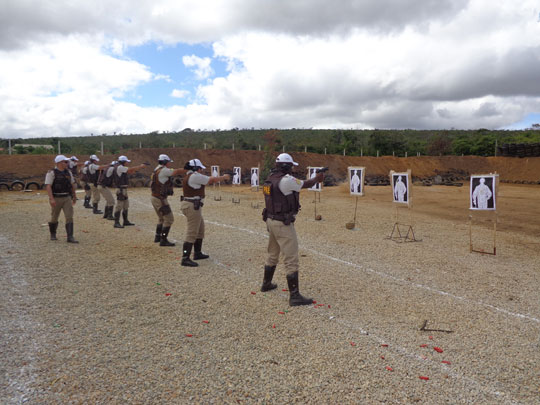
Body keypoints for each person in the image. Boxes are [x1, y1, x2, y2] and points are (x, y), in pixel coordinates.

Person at [261, 153, 324, 306]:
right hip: (282, 223)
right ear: (286, 166)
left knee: (273, 252)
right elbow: (306, 184)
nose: (292, 169)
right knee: (291, 258)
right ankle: (294, 296)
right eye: (291, 166)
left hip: (270, 220)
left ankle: (266, 283)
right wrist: (318, 179)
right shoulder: (287, 180)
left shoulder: (271, 177)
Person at [180, 159, 230, 266]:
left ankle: (197, 253)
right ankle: (185, 258)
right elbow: (211, 180)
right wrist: (224, 177)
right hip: (192, 206)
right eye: (200, 168)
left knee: (200, 229)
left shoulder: (191, 175)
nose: (201, 170)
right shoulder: (194, 176)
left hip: (193, 205)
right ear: (195, 168)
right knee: (192, 232)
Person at [150, 154, 186, 246]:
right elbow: (176, 171)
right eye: (169, 162)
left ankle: (158, 237)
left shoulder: (156, 169)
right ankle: (163, 240)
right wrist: (188, 169)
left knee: (161, 218)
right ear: (165, 162)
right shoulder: (164, 170)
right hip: (160, 199)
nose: (170, 164)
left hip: (155, 197)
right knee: (169, 219)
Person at [44, 155, 78, 243]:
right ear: (59, 163)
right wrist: (51, 199)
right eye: (65, 162)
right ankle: (53, 234)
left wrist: (74, 196)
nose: (67, 163)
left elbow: (72, 184)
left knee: (69, 216)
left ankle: (70, 237)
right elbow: (48, 186)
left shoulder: (68, 172)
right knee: (54, 217)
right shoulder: (51, 173)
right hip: (56, 197)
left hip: (67, 197)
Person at [113, 155, 147, 228]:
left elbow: (130, 171)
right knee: (119, 206)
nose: (127, 163)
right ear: (123, 162)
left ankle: (125, 221)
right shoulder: (120, 167)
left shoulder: (120, 167)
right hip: (121, 189)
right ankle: (116, 222)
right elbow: (130, 169)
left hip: (123, 189)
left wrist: (138, 169)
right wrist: (140, 166)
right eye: (126, 162)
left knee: (125, 206)